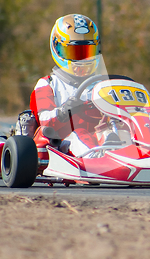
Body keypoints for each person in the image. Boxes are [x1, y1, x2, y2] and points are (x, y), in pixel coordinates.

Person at [28, 14, 104, 157]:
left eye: (87, 52)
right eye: (75, 52)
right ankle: (96, 163)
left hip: (100, 137)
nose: (82, 59)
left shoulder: (102, 85)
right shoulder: (48, 84)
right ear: (57, 48)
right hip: (63, 142)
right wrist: (64, 111)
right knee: (80, 135)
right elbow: (45, 121)